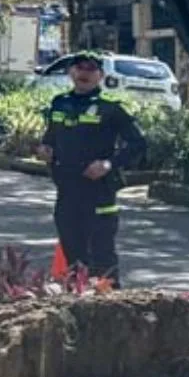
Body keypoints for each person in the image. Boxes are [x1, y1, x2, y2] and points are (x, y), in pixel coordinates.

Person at [39, 51, 145, 286]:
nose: (84, 74)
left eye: (90, 69)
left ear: (100, 76)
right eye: (79, 68)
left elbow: (138, 143)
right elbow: (51, 137)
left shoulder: (111, 108)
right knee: (72, 252)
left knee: (102, 255)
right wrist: (45, 148)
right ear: (71, 73)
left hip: (99, 191)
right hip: (67, 189)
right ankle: (77, 302)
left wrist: (109, 164)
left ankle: (110, 306)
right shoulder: (60, 103)